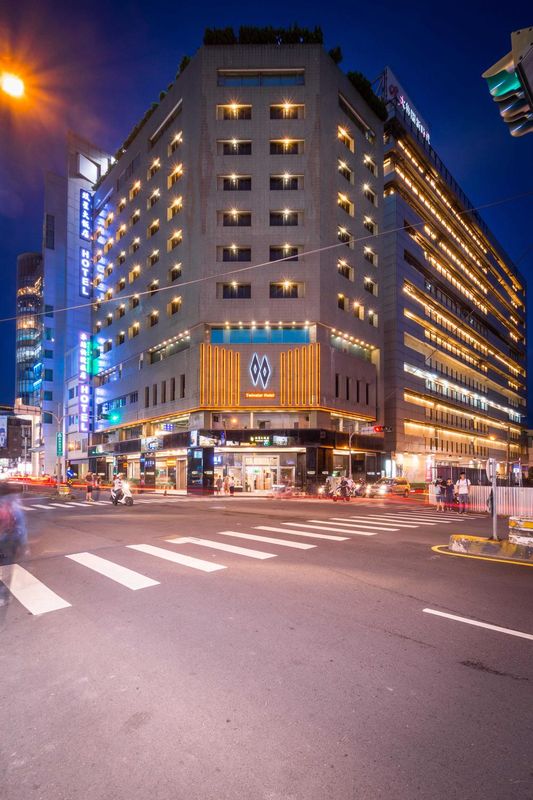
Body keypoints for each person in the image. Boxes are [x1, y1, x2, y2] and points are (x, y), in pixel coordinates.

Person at [0, 485, 28, 607]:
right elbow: (21, 526)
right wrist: (24, 544)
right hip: (8, 542)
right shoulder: (13, 505)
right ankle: (3, 596)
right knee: (6, 569)